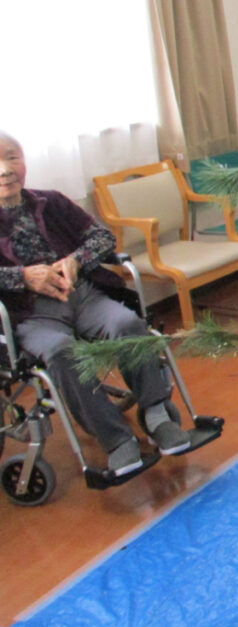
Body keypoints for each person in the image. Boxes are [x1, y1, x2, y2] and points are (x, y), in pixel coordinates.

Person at [0, 131, 191, 477]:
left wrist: (75, 260)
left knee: (128, 324)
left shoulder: (50, 202)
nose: (5, 169)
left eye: (11, 157)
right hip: (31, 313)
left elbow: (103, 236)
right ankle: (116, 440)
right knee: (61, 352)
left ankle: (156, 415)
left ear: (23, 160)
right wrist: (23, 277)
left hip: (83, 295)